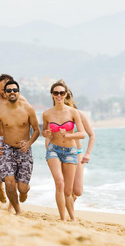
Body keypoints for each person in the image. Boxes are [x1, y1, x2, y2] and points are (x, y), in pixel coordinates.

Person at [0, 80, 40, 215]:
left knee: (22, 189)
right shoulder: (0, 111)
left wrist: (29, 143)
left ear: (18, 92)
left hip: (24, 150)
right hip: (7, 149)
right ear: (4, 94)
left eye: (15, 90)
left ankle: (24, 190)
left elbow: (36, 130)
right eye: (9, 90)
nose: (12, 92)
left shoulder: (28, 108)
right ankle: (17, 211)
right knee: (9, 183)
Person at [42, 81, 85, 221]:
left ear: (65, 94)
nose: (59, 95)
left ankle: (73, 218)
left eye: (61, 93)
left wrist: (69, 135)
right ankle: (63, 219)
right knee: (59, 182)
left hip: (71, 151)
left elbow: (82, 134)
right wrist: (47, 134)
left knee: (68, 190)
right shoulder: (47, 114)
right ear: (52, 95)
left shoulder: (73, 112)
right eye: (56, 93)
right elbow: (45, 132)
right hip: (53, 149)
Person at [0, 74, 27, 203]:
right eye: (3, 88)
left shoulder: (21, 100)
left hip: (13, 139)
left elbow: (29, 118)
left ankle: (13, 202)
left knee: (13, 173)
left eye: (8, 88)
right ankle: (0, 189)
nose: (6, 92)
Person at [63, 87, 95, 201]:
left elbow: (91, 134)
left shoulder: (80, 114)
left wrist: (88, 154)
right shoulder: (58, 115)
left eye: (67, 97)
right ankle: (69, 214)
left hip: (78, 153)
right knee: (67, 187)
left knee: (78, 190)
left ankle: (72, 201)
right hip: (62, 152)